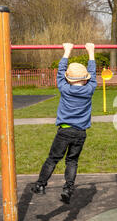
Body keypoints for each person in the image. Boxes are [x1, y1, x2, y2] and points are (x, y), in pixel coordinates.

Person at [31, 43, 97, 204]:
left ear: (68, 79)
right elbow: (93, 74)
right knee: (72, 161)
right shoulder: (90, 89)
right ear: (85, 79)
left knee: (53, 159)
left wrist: (67, 51)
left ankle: (41, 184)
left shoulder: (64, 88)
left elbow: (60, 72)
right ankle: (68, 187)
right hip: (80, 133)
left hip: (64, 132)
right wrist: (91, 52)